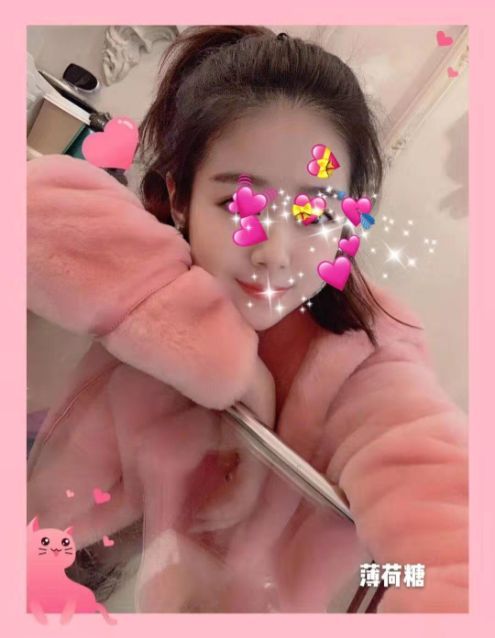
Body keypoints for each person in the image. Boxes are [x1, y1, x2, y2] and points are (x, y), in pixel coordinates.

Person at [26, 26, 468, 613]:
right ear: (179, 198)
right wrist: (231, 367)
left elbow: (452, 548)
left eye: (315, 214)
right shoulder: (162, 255)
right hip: (52, 531)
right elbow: (33, 208)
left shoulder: (364, 364)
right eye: (239, 204)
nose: (275, 253)